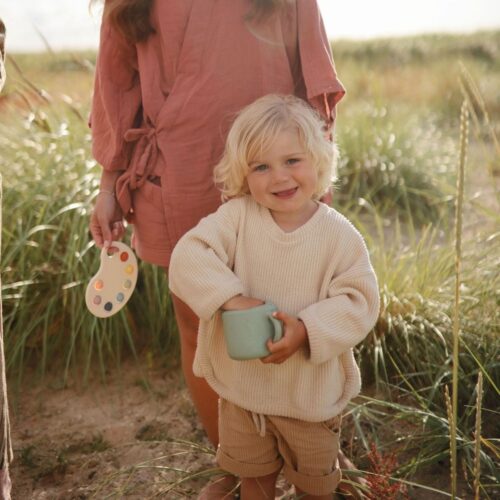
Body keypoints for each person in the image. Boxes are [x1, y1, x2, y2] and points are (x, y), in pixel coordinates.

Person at [88, 0, 348, 496]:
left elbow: (313, 74)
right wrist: (108, 185)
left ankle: (310, 446)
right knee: (201, 322)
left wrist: (312, 172)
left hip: (276, 172)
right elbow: (116, 87)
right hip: (176, 171)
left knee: (288, 308)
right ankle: (234, 461)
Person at [168, 94, 379, 499]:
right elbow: (187, 257)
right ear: (243, 175)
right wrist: (230, 297)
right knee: (255, 482)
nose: (278, 177)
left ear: (318, 161)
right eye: (261, 166)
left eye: (292, 161)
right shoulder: (237, 218)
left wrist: (306, 329)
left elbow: (360, 302)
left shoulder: (339, 236)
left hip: (309, 395)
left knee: (315, 488)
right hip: (244, 393)